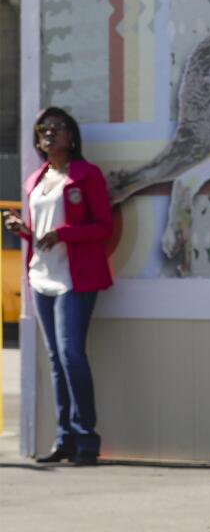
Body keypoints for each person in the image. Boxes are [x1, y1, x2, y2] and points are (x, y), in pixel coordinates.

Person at [2, 107, 114, 466]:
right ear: (38, 139)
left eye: (58, 128)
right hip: (41, 276)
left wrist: (62, 233)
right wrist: (23, 229)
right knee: (55, 360)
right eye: (44, 130)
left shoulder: (86, 175)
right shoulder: (35, 180)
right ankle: (64, 437)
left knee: (71, 355)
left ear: (72, 136)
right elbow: (39, 232)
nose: (50, 134)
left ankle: (86, 439)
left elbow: (103, 227)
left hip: (74, 277)